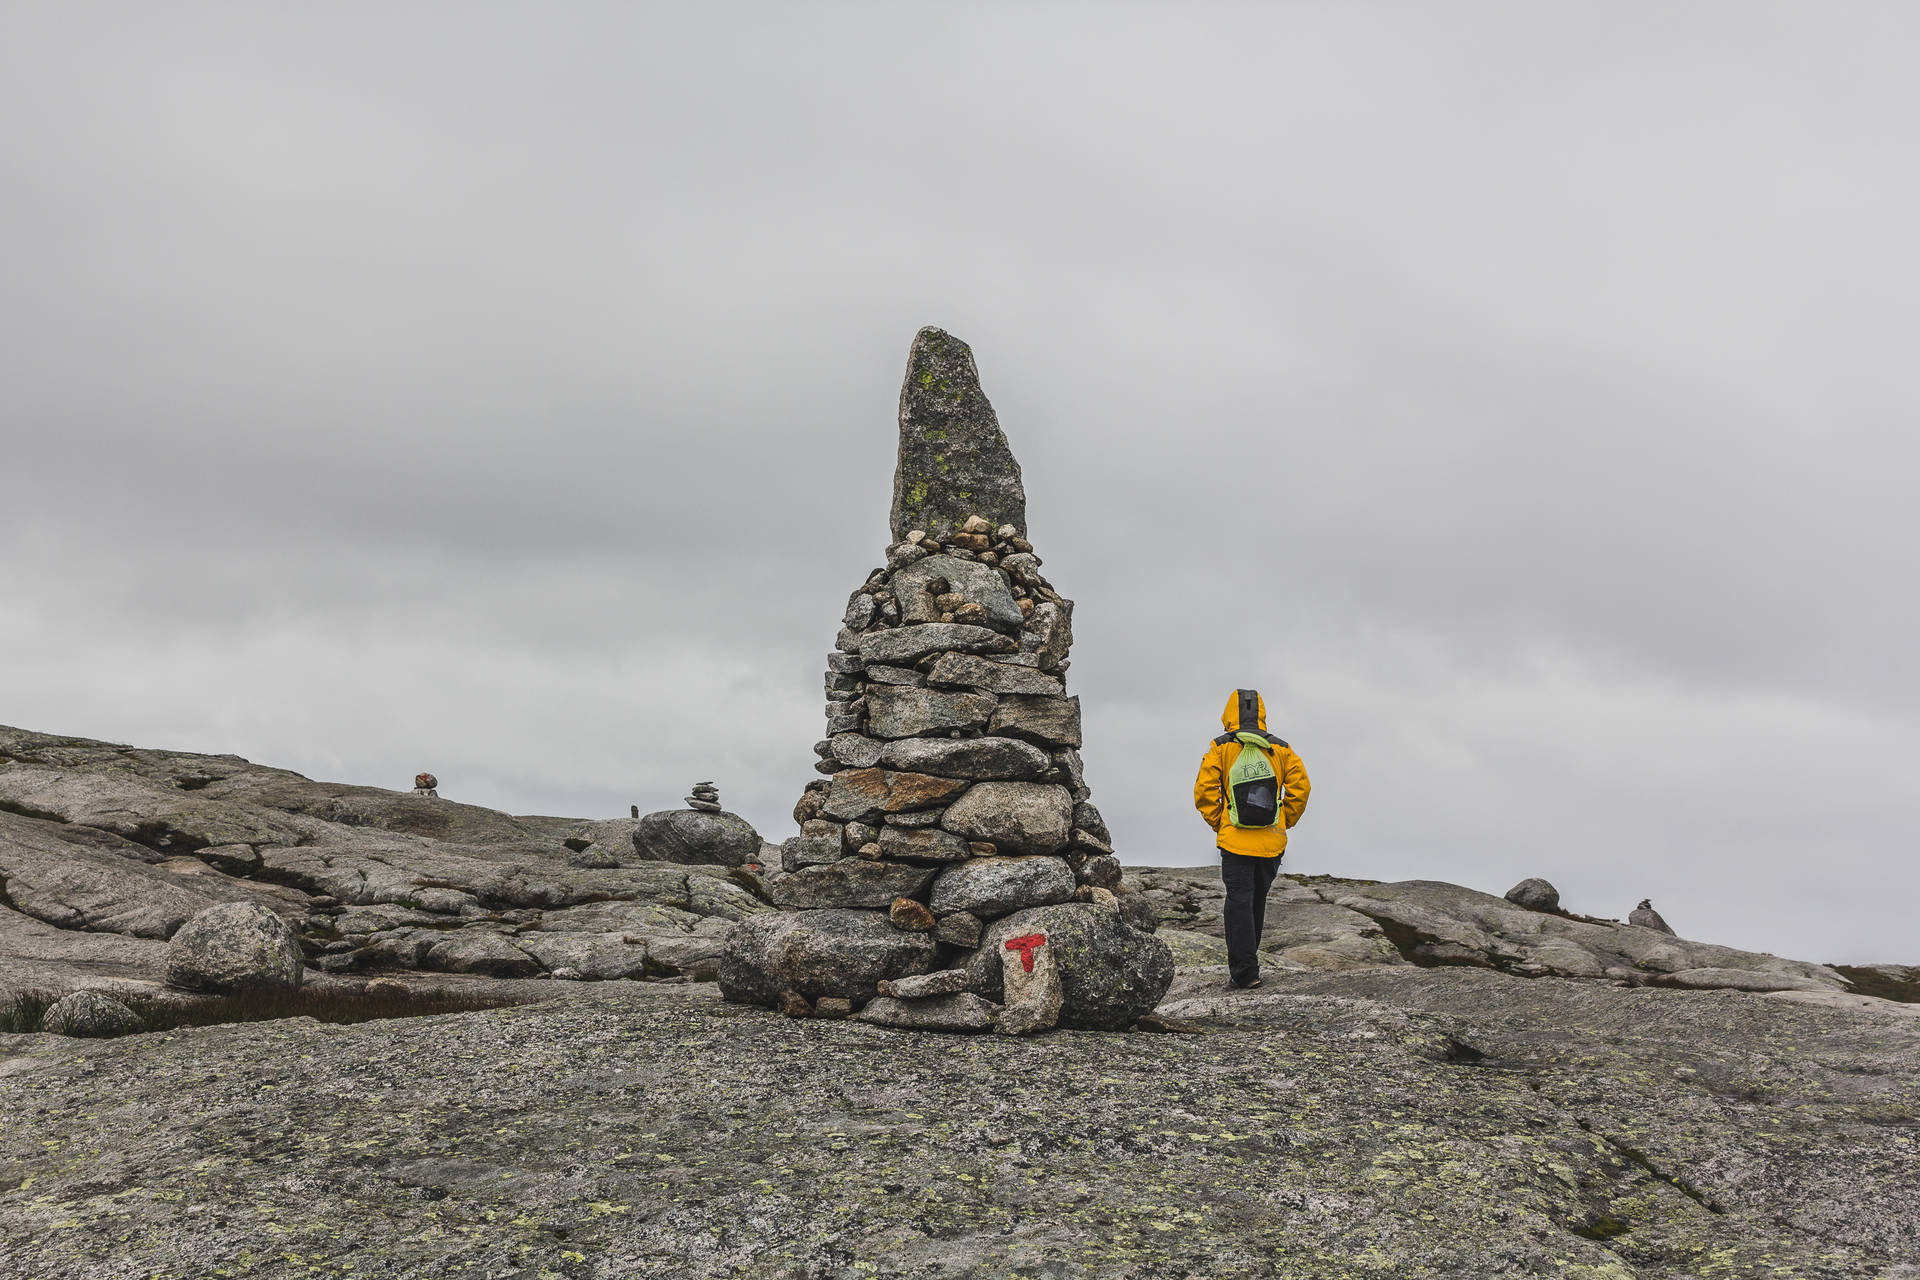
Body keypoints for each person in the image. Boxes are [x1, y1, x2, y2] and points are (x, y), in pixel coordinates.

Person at [1193, 689, 1310, 989]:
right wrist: (1284, 821)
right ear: (1261, 714)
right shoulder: (1281, 749)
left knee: (1239, 903)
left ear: (1229, 714)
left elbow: (1204, 791)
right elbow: (1301, 789)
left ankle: (1245, 973)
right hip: (1271, 843)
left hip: (1235, 842)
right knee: (1256, 901)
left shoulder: (1220, 747)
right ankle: (1249, 966)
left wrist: (1219, 822)